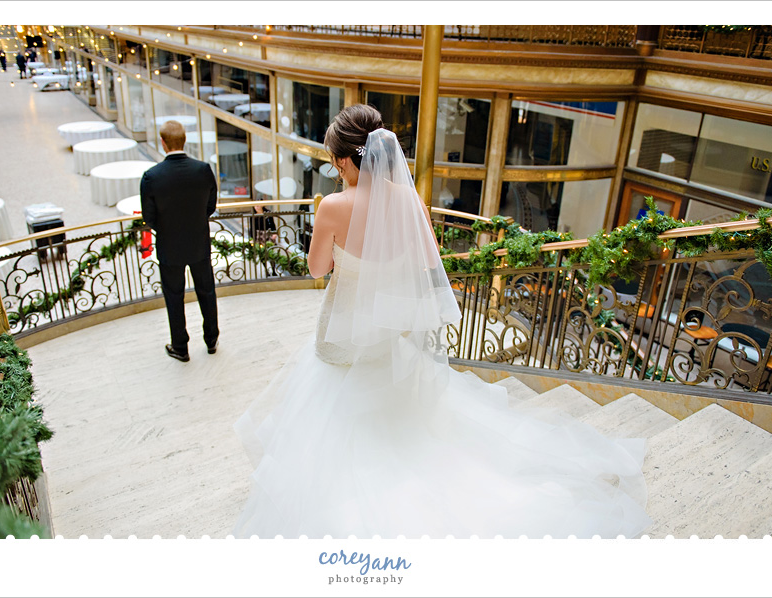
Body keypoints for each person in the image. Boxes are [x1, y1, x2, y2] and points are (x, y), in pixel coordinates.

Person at [230, 104, 652, 539]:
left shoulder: (333, 206)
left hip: (343, 332)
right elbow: (424, 259)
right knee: (393, 416)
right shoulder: (407, 200)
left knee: (333, 417)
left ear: (343, 159)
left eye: (333, 160)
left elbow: (318, 269)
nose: (334, 168)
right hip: (388, 333)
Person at [140, 120, 220, 362]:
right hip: (199, 244)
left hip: (170, 247)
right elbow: (210, 206)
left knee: (174, 296)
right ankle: (212, 339)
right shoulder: (203, 170)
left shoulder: (151, 177)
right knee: (206, 291)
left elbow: (149, 218)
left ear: (163, 143)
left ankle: (180, 347)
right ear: (184, 141)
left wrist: (170, 229)